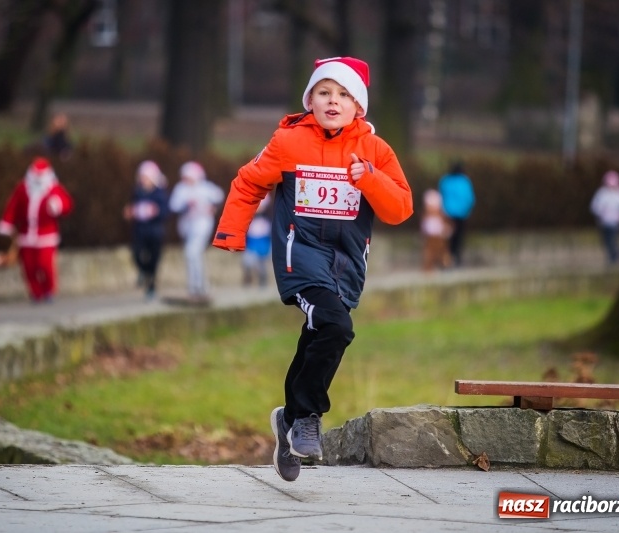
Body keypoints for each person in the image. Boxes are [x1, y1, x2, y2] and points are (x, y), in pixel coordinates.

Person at [212, 56, 413, 482]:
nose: (333, 101)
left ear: (358, 106)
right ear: (310, 100)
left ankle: (288, 420)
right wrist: (231, 232)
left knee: (321, 331)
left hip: (347, 262)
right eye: (323, 92)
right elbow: (249, 181)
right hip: (299, 254)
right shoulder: (288, 142)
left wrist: (369, 178)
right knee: (336, 325)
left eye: (343, 94)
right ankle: (306, 417)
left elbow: (400, 208)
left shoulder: (375, 150)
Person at [0, 157, 74, 303]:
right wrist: (6, 223)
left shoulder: (54, 188)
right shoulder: (22, 188)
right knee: (29, 266)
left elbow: (67, 203)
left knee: (45, 264)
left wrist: (58, 205)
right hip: (26, 235)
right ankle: (36, 292)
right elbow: (13, 206)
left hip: (46, 235)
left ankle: (48, 290)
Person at [169, 161, 225, 302]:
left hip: (202, 224)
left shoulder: (205, 188)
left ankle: (198, 286)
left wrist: (213, 207)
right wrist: (186, 205)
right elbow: (173, 206)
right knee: (193, 255)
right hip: (187, 226)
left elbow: (219, 196)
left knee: (192, 252)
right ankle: (196, 286)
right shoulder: (181, 189)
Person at [122, 160, 169, 300]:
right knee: (136, 254)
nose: (143, 180)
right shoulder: (137, 192)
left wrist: (156, 212)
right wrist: (130, 212)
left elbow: (165, 212)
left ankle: (151, 287)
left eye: (146, 177)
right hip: (140, 231)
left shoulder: (160, 194)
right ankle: (143, 271)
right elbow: (132, 208)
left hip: (155, 232)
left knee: (153, 260)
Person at [590, 170, 619, 266]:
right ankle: (614, 256)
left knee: (612, 240)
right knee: (606, 241)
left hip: (616, 223)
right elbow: (595, 207)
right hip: (604, 222)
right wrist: (600, 215)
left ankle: (614, 258)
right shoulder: (602, 193)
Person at [438, 161, 475, 267]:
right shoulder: (465, 181)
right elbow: (470, 198)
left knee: (446, 237)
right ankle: (457, 258)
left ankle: (446, 259)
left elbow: (441, 195)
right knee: (459, 237)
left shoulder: (445, 180)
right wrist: (468, 210)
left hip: (447, 213)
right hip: (462, 214)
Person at [242, 192, 272, 287]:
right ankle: (248, 281)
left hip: (263, 239)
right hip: (251, 240)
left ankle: (262, 282)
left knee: (262, 263)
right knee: (247, 262)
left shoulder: (267, 221)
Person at [420, 189, 451, 272]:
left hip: (439, 238)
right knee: (429, 254)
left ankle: (445, 266)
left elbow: (445, 226)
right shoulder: (426, 217)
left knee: (442, 252)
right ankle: (428, 268)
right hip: (430, 239)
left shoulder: (441, 216)